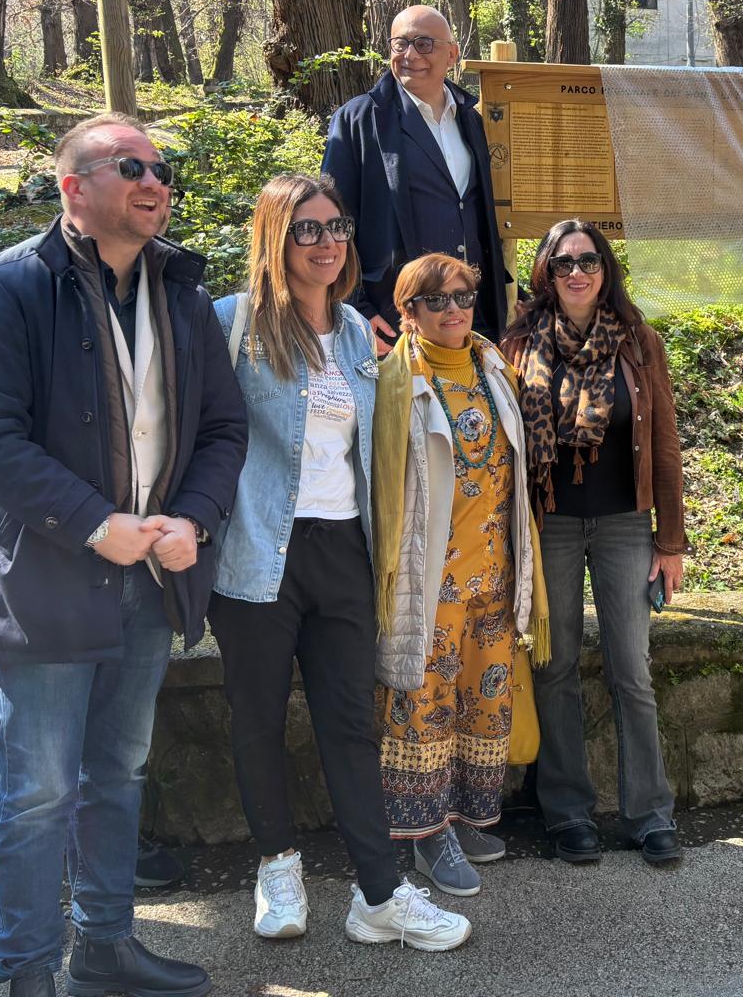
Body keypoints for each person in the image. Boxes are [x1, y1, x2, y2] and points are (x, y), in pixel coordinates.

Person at [0, 112, 248, 997]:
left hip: (153, 581)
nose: (155, 182)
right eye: (131, 167)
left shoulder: (184, 294)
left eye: (161, 167)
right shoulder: (13, 287)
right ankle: (28, 973)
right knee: (35, 797)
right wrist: (91, 522)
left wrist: (194, 517)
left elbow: (224, 430)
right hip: (46, 585)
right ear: (73, 186)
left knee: (118, 772)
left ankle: (106, 948)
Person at [208, 175, 470, 950]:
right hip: (258, 547)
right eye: (307, 230)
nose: (326, 243)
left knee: (352, 725)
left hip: (344, 548)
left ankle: (379, 895)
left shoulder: (358, 331)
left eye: (336, 227)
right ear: (274, 238)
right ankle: (276, 865)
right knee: (256, 717)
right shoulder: (231, 324)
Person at [500, 221, 687, 868]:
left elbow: (664, 443)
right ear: (545, 273)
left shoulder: (639, 342)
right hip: (548, 523)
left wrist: (672, 541)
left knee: (631, 670)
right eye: (562, 263)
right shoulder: (518, 344)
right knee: (553, 670)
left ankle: (649, 814)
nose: (576, 272)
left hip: (625, 524)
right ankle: (567, 812)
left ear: (606, 268)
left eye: (588, 260)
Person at [371, 253, 545, 898]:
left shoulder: (495, 366)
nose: (453, 310)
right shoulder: (394, 382)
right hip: (429, 578)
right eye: (436, 301)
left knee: (485, 698)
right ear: (408, 312)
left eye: (463, 296)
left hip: (494, 573)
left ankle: (469, 815)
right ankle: (424, 835)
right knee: (424, 704)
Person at [322, 5, 510, 351]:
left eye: (424, 44)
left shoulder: (472, 119)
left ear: (452, 54)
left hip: (470, 314)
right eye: (400, 44)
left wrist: (509, 292)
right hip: (397, 319)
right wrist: (355, 305)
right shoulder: (359, 120)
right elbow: (333, 221)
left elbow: (476, 214)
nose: (410, 55)